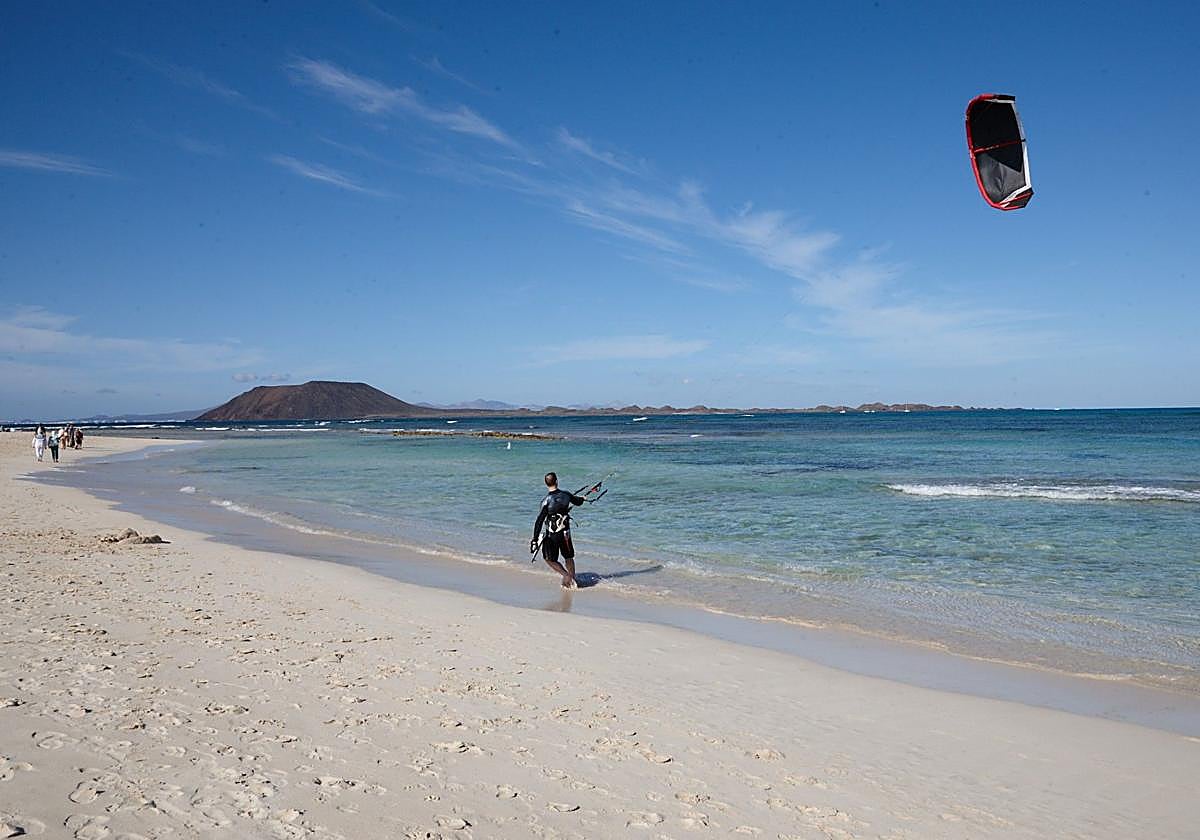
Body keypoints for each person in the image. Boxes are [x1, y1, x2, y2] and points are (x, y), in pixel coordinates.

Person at [530, 472, 587, 588]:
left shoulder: (545, 501)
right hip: (566, 533)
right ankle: (572, 579)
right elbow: (578, 502)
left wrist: (535, 539)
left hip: (552, 535)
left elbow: (539, 521)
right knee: (568, 557)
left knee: (549, 559)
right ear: (557, 481)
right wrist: (583, 498)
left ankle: (566, 576)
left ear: (546, 484)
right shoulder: (566, 495)